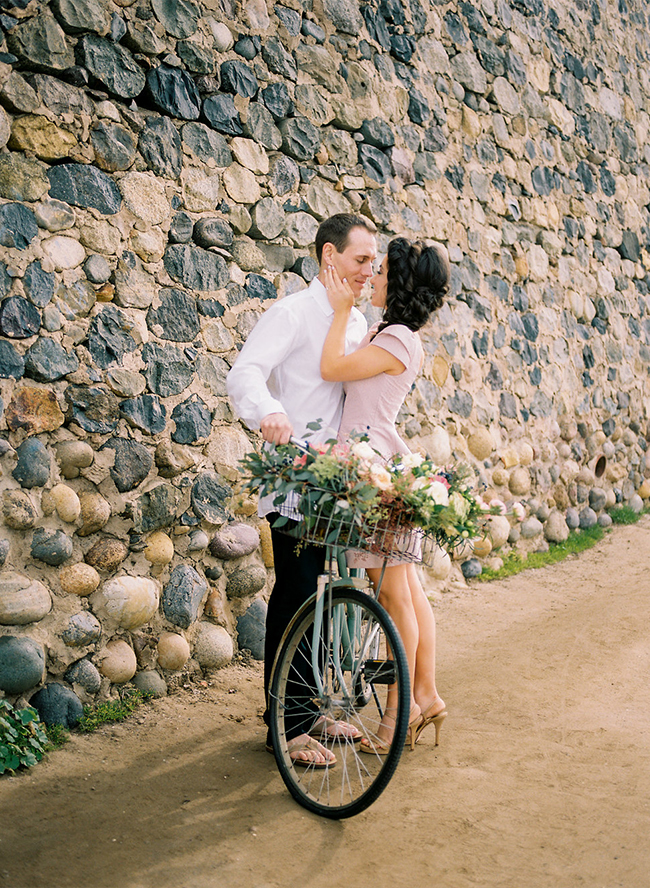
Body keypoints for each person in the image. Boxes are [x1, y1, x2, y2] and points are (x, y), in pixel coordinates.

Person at [227, 213, 378, 767]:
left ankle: (311, 711)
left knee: (323, 599)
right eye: (361, 259)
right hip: (292, 478)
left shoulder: (356, 322)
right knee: (294, 593)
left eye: (372, 261)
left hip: (338, 482)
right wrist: (268, 410)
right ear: (328, 258)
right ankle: (283, 727)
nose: (369, 270)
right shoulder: (290, 313)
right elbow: (244, 372)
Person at [320, 236, 450, 753]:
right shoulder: (393, 334)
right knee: (409, 593)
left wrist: (338, 311)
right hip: (377, 465)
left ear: (398, 283)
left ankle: (400, 714)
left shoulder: (395, 338)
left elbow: (332, 369)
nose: (371, 274)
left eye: (381, 271)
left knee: (394, 597)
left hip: (372, 472)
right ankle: (426, 696)